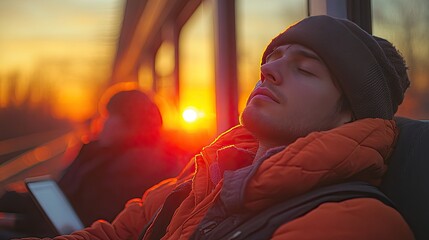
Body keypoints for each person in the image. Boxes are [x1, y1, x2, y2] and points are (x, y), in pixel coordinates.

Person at [20, 15, 414, 240]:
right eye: (272, 59)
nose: (267, 69)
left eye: (305, 69)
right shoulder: (201, 180)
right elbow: (112, 235)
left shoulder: (354, 223)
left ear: (350, 115)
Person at [1, 84, 185, 237]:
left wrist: (17, 223)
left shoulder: (134, 167)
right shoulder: (105, 153)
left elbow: (87, 222)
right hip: (56, 225)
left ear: (128, 125)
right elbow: (66, 197)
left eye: (108, 116)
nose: (100, 123)